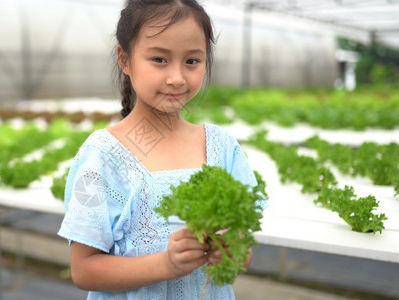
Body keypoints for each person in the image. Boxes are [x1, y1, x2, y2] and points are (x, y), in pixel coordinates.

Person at [58, 0, 264, 298]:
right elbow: (84, 269)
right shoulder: (101, 155)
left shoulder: (223, 148)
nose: (177, 78)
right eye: (159, 59)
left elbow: (243, 253)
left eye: (192, 61)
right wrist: (166, 264)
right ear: (124, 59)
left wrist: (232, 252)